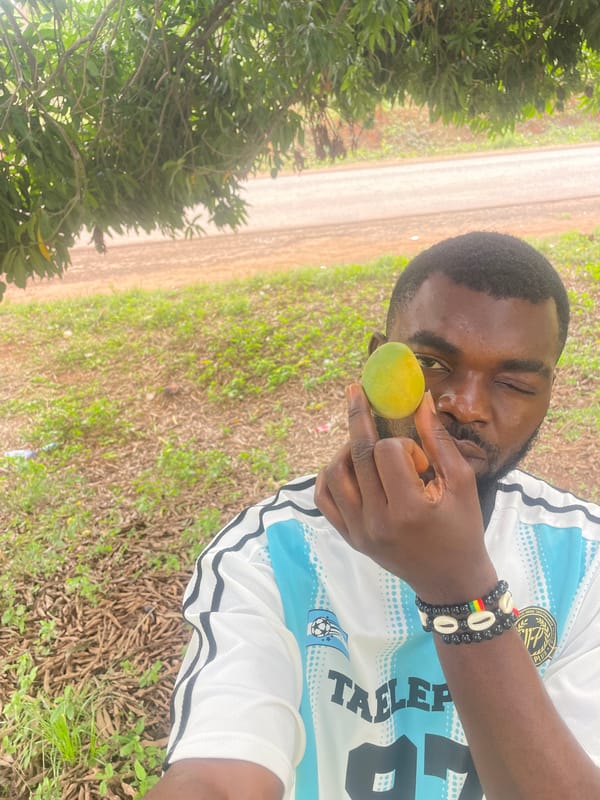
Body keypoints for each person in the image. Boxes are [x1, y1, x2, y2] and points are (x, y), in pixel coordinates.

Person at [146, 232, 600, 799]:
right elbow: (213, 779)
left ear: (549, 395)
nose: (467, 405)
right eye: (432, 363)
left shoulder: (584, 563)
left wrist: (458, 589)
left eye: (512, 383)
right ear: (373, 362)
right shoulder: (267, 555)